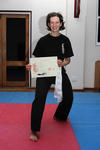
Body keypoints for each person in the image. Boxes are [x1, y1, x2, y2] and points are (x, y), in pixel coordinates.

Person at [26, 12, 74, 142]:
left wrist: (62, 63)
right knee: (39, 100)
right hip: (44, 74)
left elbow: (68, 60)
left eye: (57, 22)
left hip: (59, 71)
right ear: (48, 24)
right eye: (51, 22)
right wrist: (31, 66)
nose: (54, 25)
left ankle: (60, 116)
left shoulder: (65, 40)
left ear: (61, 23)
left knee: (69, 96)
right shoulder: (43, 41)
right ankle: (34, 130)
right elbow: (35, 59)